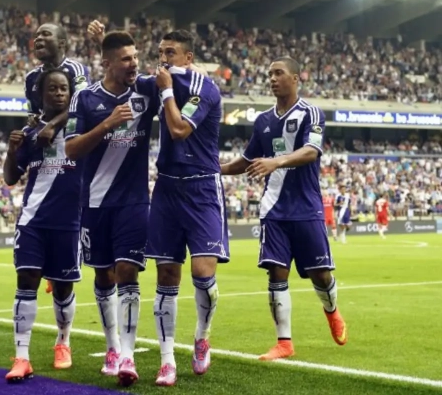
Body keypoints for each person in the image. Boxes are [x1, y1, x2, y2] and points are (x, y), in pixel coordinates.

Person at [220, 57, 347, 361]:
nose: (273, 79)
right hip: (273, 209)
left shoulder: (310, 113)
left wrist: (275, 161)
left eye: (279, 73)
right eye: (270, 74)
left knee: (320, 275)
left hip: (306, 208)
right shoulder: (263, 120)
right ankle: (284, 342)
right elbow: (247, 159)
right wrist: (217, 169)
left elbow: (311, 151)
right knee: (276, 271)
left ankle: (332, 311)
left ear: (295, 78)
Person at [64, 31, 158, 388]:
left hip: (134, 201)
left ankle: (128, 355)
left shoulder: (145, 91)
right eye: (126, 59)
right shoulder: (85, 99)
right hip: (95, 202)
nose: (134, 64)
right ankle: (112, 347)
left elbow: (171, 84)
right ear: (106, 63)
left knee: (128, 271)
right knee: (103, 276)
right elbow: (71, 149)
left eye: (136, 58)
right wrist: (107, 124)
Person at [136, 30, 227, 385]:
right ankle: (167, 360)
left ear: (188, 58)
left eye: (170, 52)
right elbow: (125, 79)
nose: (163, 58)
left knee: (203, 274)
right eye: (160, 52)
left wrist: (166, 90)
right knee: (166, 276)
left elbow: (177, 129)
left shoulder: (204, 87)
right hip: (167, 188)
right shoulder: (158, 80)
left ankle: (202, 335)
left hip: (202, 187)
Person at [3, 68, 82, 382]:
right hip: (33, 220)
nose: (59, 93)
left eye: (64, 89)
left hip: (69, 221)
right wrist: (12, 152)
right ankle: (22, 357)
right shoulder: (30, 132)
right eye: (53, 89)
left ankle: (63, 342)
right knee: (26, 281)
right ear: (41, 94)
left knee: (63, 288)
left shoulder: (80, 126)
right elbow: (11, 178)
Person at [25, 22, 89, 295]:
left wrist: (52, 126)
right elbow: (34, 114)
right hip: (46, 151)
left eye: (45, 34)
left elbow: (81, 104)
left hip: (73, 145)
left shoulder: (75, 69)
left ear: (62, 43)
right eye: (36, 35)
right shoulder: (31, 77)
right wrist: (35, 126)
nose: (38, 39)